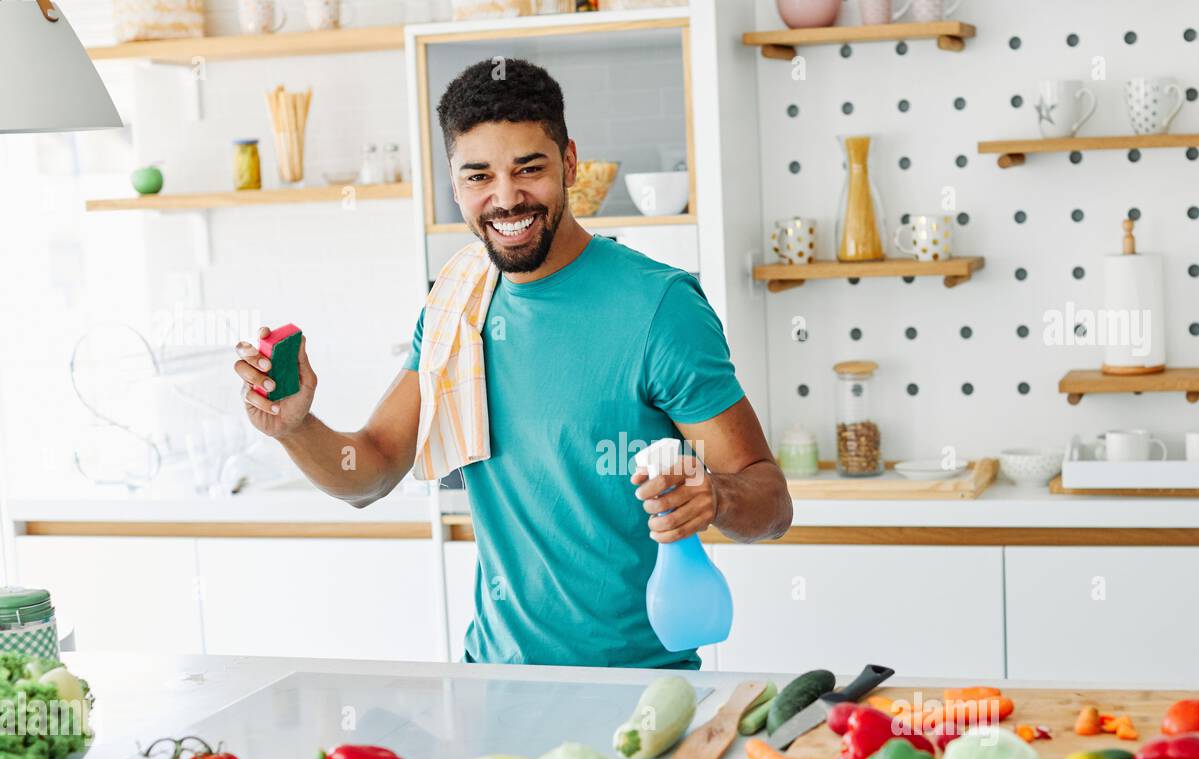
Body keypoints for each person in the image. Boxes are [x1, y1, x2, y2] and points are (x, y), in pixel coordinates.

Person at [234, 58, 791, 669]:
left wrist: (716, 496)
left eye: (529, 169)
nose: (506, 198)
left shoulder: (661, 307)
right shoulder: (454, 304)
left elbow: (770, 500)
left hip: (639, 689)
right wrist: (294, 428)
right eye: (479, 177)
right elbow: (369, 473)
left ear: (570, 163)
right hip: (493, 678)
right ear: (454, 184)